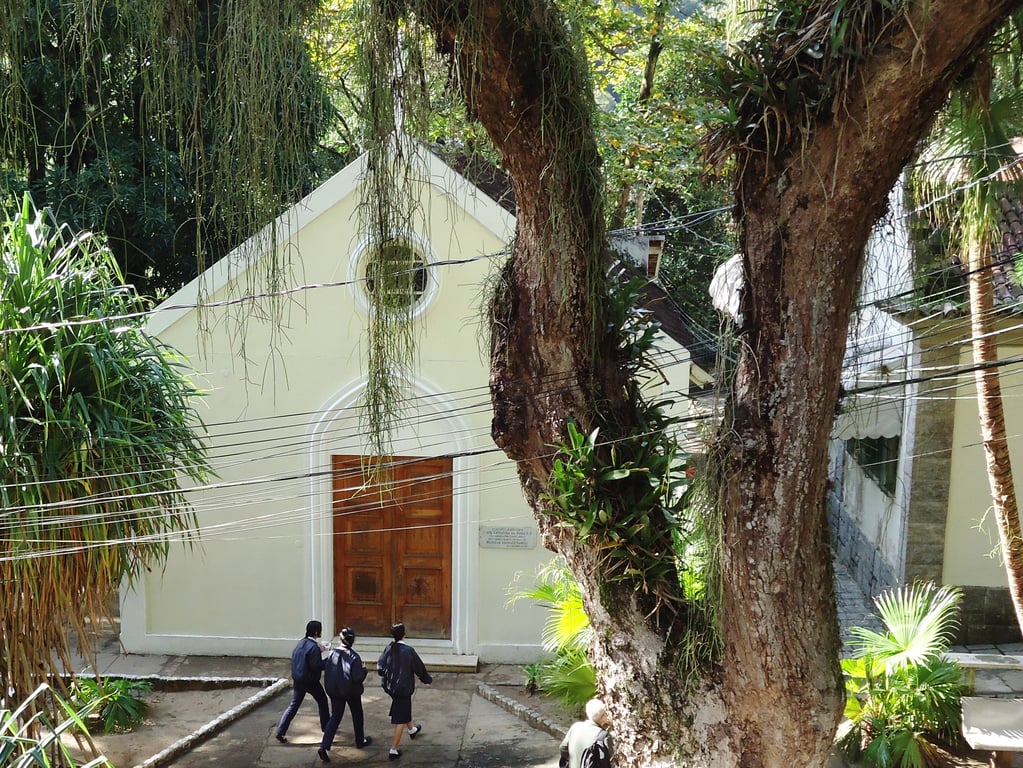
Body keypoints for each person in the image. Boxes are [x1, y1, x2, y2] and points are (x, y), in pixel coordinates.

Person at [377, 622, 432, 760]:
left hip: (391, 688)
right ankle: (393, 750)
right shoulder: (408, 651)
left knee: (403, 709)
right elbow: (419, 668)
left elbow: (380, 668)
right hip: (403, 689)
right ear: (404, 635)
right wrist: (426, 679)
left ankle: (412, 729)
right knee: (400, 717)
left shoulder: (388, 648)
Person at [317, 626, 371, 762]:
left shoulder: (332, 653)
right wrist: (364, 670)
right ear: (353, 641)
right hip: (350, 692)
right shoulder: (354, 657)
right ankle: (360, 740)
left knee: (335, 717)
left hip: (334, 691)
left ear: (341, 640)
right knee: (357, 715)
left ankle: (324, 746)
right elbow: (358, 677)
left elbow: (324, 665)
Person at [275, 620, 330, 743]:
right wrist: (328, 660)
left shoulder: (301, 643)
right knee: (323, 701)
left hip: (298, 680)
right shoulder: (313, 648)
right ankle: (327, 728)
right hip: (310, 681)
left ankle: (280, 731)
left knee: (293, 706)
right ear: (316, 632)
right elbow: (316, 666)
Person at [559, 698, 613, 768]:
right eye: (606, 714)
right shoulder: (603, 736)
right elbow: (608, 760)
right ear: (602, 717)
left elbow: (563, 748)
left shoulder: (575, 727)